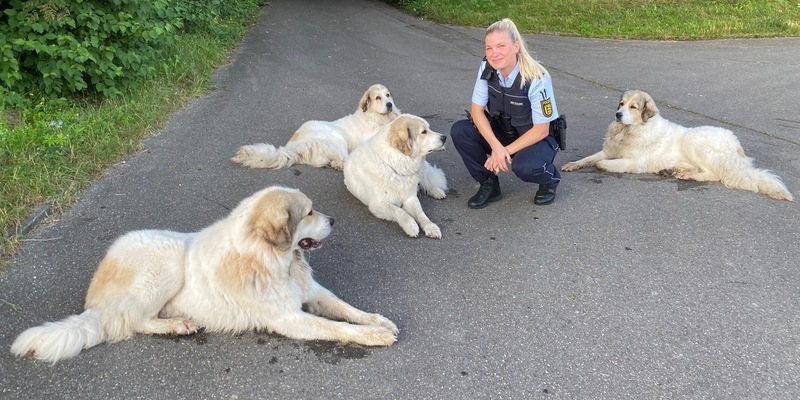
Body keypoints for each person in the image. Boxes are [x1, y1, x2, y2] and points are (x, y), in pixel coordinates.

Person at [451, 18, 564, 209]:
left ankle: (550, 179)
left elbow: (542, 130)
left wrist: (503, 153)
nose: (494, 54)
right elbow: (477, 111)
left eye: (501, 46)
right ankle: (489, 184)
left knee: (524, 167)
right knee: (461, 130)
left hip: (537, 138)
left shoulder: (537, 77)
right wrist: (496, 147)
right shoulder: (487, 66)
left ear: (516, 46)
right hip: (505, 132)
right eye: (489, 48)